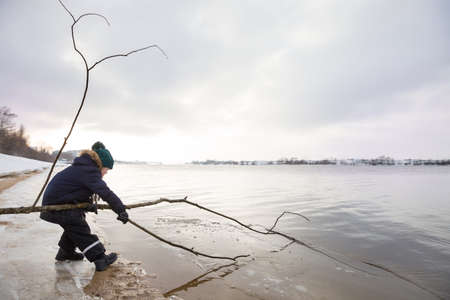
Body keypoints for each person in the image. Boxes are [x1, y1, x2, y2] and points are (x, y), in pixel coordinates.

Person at [40, 141, 129, 271]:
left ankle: (65, 252)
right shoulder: (89, 171)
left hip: (58, 204)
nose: (106, 173)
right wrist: (121, 210)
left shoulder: (83, 168)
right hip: (57, 207)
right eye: (106, 169)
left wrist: (87, 205)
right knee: (80, 229)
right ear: (101, 165)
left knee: (73, 227)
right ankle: (100, 259)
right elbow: (106, 193)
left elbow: (74, 191)